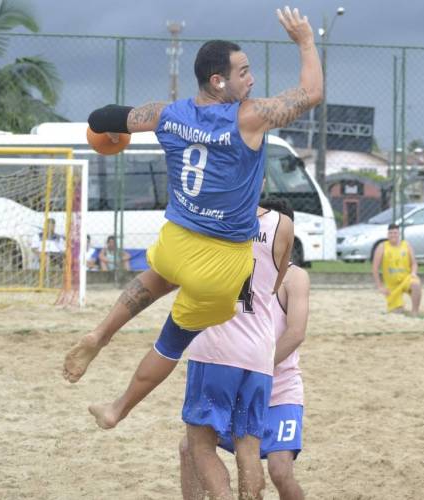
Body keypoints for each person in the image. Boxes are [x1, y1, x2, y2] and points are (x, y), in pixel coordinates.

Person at [62, 6, 321, 387]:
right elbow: (311, 93)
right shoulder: (249, 118)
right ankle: (118, 408)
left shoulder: (167, 115)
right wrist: (305, 41)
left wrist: (113, 136)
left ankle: (100, 334)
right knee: (171, 342)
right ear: (218, 81)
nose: (252, 79)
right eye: (244, 72)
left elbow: (102, 117)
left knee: (154, 281)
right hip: (220, 260)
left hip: (175, 241)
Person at [89, 200, 294, 500]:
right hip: (260, 351)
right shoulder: (282, 225)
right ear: (258, 179)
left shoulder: (203, 218)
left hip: (214, 347)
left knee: (201, 446)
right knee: (248, 449)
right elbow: (274, 286)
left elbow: (169, 275)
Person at [179, 261, 309, 500]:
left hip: (279, 389)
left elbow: (296, 333)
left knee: (280, 471)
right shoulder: (238, 265)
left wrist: (259, 367)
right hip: (238, 385)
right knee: (189, 449)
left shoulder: (294, 276)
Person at [371, 223, 421, 315]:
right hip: (392, 285)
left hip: (406, 279)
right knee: (397, 312)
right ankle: (398, 306)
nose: (393, 235)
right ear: (387, 235)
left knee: (416, 284)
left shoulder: (406, 245)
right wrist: (379, 286)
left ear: (399, 234)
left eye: (395, 233)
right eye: (390, 233)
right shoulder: (382, 247)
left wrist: (414, 273)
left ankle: (415, 312)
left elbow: (414, 263)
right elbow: (375, 268)